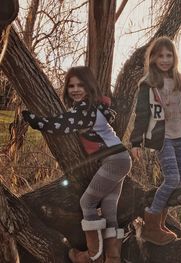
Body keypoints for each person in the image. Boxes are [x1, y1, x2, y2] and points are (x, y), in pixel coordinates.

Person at [22, 66, 131, 263]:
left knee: (87, 202)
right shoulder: (92, 108)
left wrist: (34, 120)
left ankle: (93, 256)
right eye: (71, 85)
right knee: (108, 208)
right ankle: (113, 258)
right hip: (120, 159)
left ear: (89, 86)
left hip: (115, 160)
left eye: (80, 84)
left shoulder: (85, 110)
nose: (75, 89)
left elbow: (59, 125)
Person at [129, 36, 181, 246]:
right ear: (153, 58)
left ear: (174, 58)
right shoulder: (148, 85)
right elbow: (141, 115)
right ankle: (150, 224)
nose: (165, 59)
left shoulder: (180, 81)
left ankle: (159, 223)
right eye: (160, 56)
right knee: (172, 178)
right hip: (163, 139)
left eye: (169, 55)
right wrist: (135, 142)